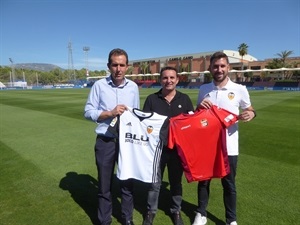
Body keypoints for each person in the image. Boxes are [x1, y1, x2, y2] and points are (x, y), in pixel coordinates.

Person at [192, 51, 256, 225]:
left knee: (229, 184)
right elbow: (199, 114)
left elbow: (250, 109)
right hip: (207, 146)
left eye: (222, 66)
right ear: (210, 68)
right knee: (204, 182)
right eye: (215, 66)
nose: (219, 69)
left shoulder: (240, 89)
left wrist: (251, 114)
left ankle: (231, 219)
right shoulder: (204, 89)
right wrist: (198, 107)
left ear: (228, 67)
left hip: (230, 146)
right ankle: (201, 213)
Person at [84, 48, 140, 225]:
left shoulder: (133, 87)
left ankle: (127, 219)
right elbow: (88, 111)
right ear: (109, 66)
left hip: (127, 142)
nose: (118, 69)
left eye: (122, 65)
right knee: (104, 186)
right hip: (105, 141)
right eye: (115, 65)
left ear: (127, 67)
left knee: (127, 185)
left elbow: (136, 114)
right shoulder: (99, 86)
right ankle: (104, 221)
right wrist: (109, 113)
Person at [142, 66, 194, 225]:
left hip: (177, 150)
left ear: (177, 79)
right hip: (157, 149)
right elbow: (144, 124)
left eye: (172, 77)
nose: (168, 81)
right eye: (165, 78)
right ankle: (151, 212)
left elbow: (192, 124)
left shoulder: (184, 99)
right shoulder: (152, 99)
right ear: (160, 80)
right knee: (154, 183)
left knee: (176, 182)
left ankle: (176, 211)